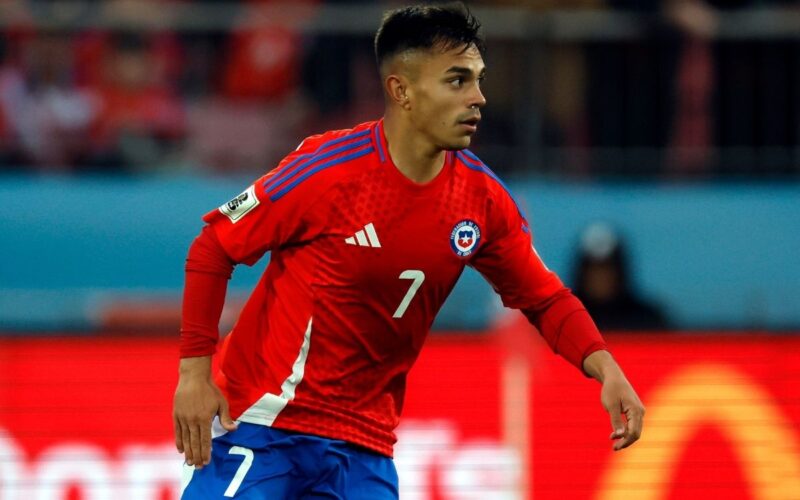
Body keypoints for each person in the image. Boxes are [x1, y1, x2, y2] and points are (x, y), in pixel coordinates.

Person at [174, 4, 645, 498]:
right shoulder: (328, 171)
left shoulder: (482, 201)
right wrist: (194, 375)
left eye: (479, 80)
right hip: (265, 425)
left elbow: (543, 299)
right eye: (457, 81)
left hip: (365, 448)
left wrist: (605, 367)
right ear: (402, 91)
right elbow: (213, 246)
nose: (479, 98)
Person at [572, 222, 669, 331]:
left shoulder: (647, 320)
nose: (600, 277)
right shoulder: (564, 320)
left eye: (607, 268)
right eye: (593, 268)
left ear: (621, 271)